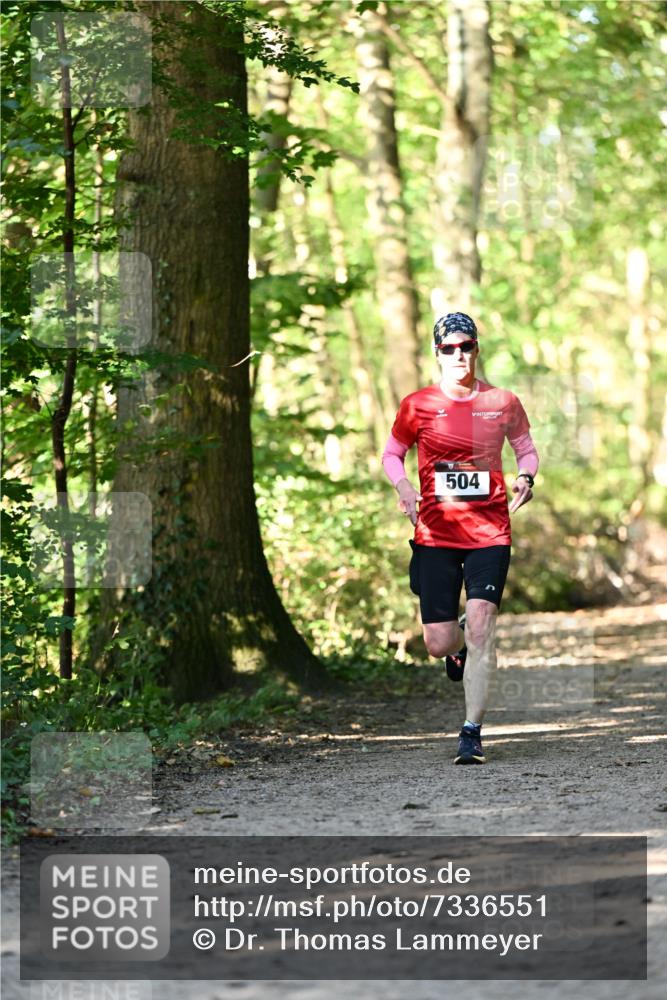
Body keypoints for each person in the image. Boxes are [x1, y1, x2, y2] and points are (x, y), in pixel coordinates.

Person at [382, 312, 539, 764]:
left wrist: (526, 476)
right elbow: (393, 453)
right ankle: (458, 647)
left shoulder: (503, 402)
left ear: (476, 348)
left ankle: (471, 731)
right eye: (448, 348)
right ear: (437, 352)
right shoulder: (418, 405)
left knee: (484, 621)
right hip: (435, 534)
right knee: (437, 642)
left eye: (465, 346)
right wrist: (404, 486)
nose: (458, 355)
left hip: (490, 530)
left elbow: (525, 447)